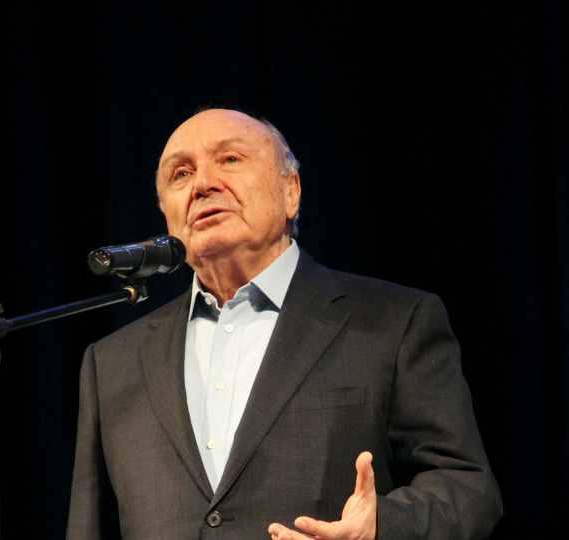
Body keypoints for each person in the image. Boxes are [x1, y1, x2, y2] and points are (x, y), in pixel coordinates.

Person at [66, 108, 503, 540]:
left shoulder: (393, 322)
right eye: (181, 174)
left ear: (290, 190)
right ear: (166, 214)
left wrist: (379, 525)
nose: (202, 184)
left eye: (230, 159)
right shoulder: (113, 363)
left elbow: (467, 488)